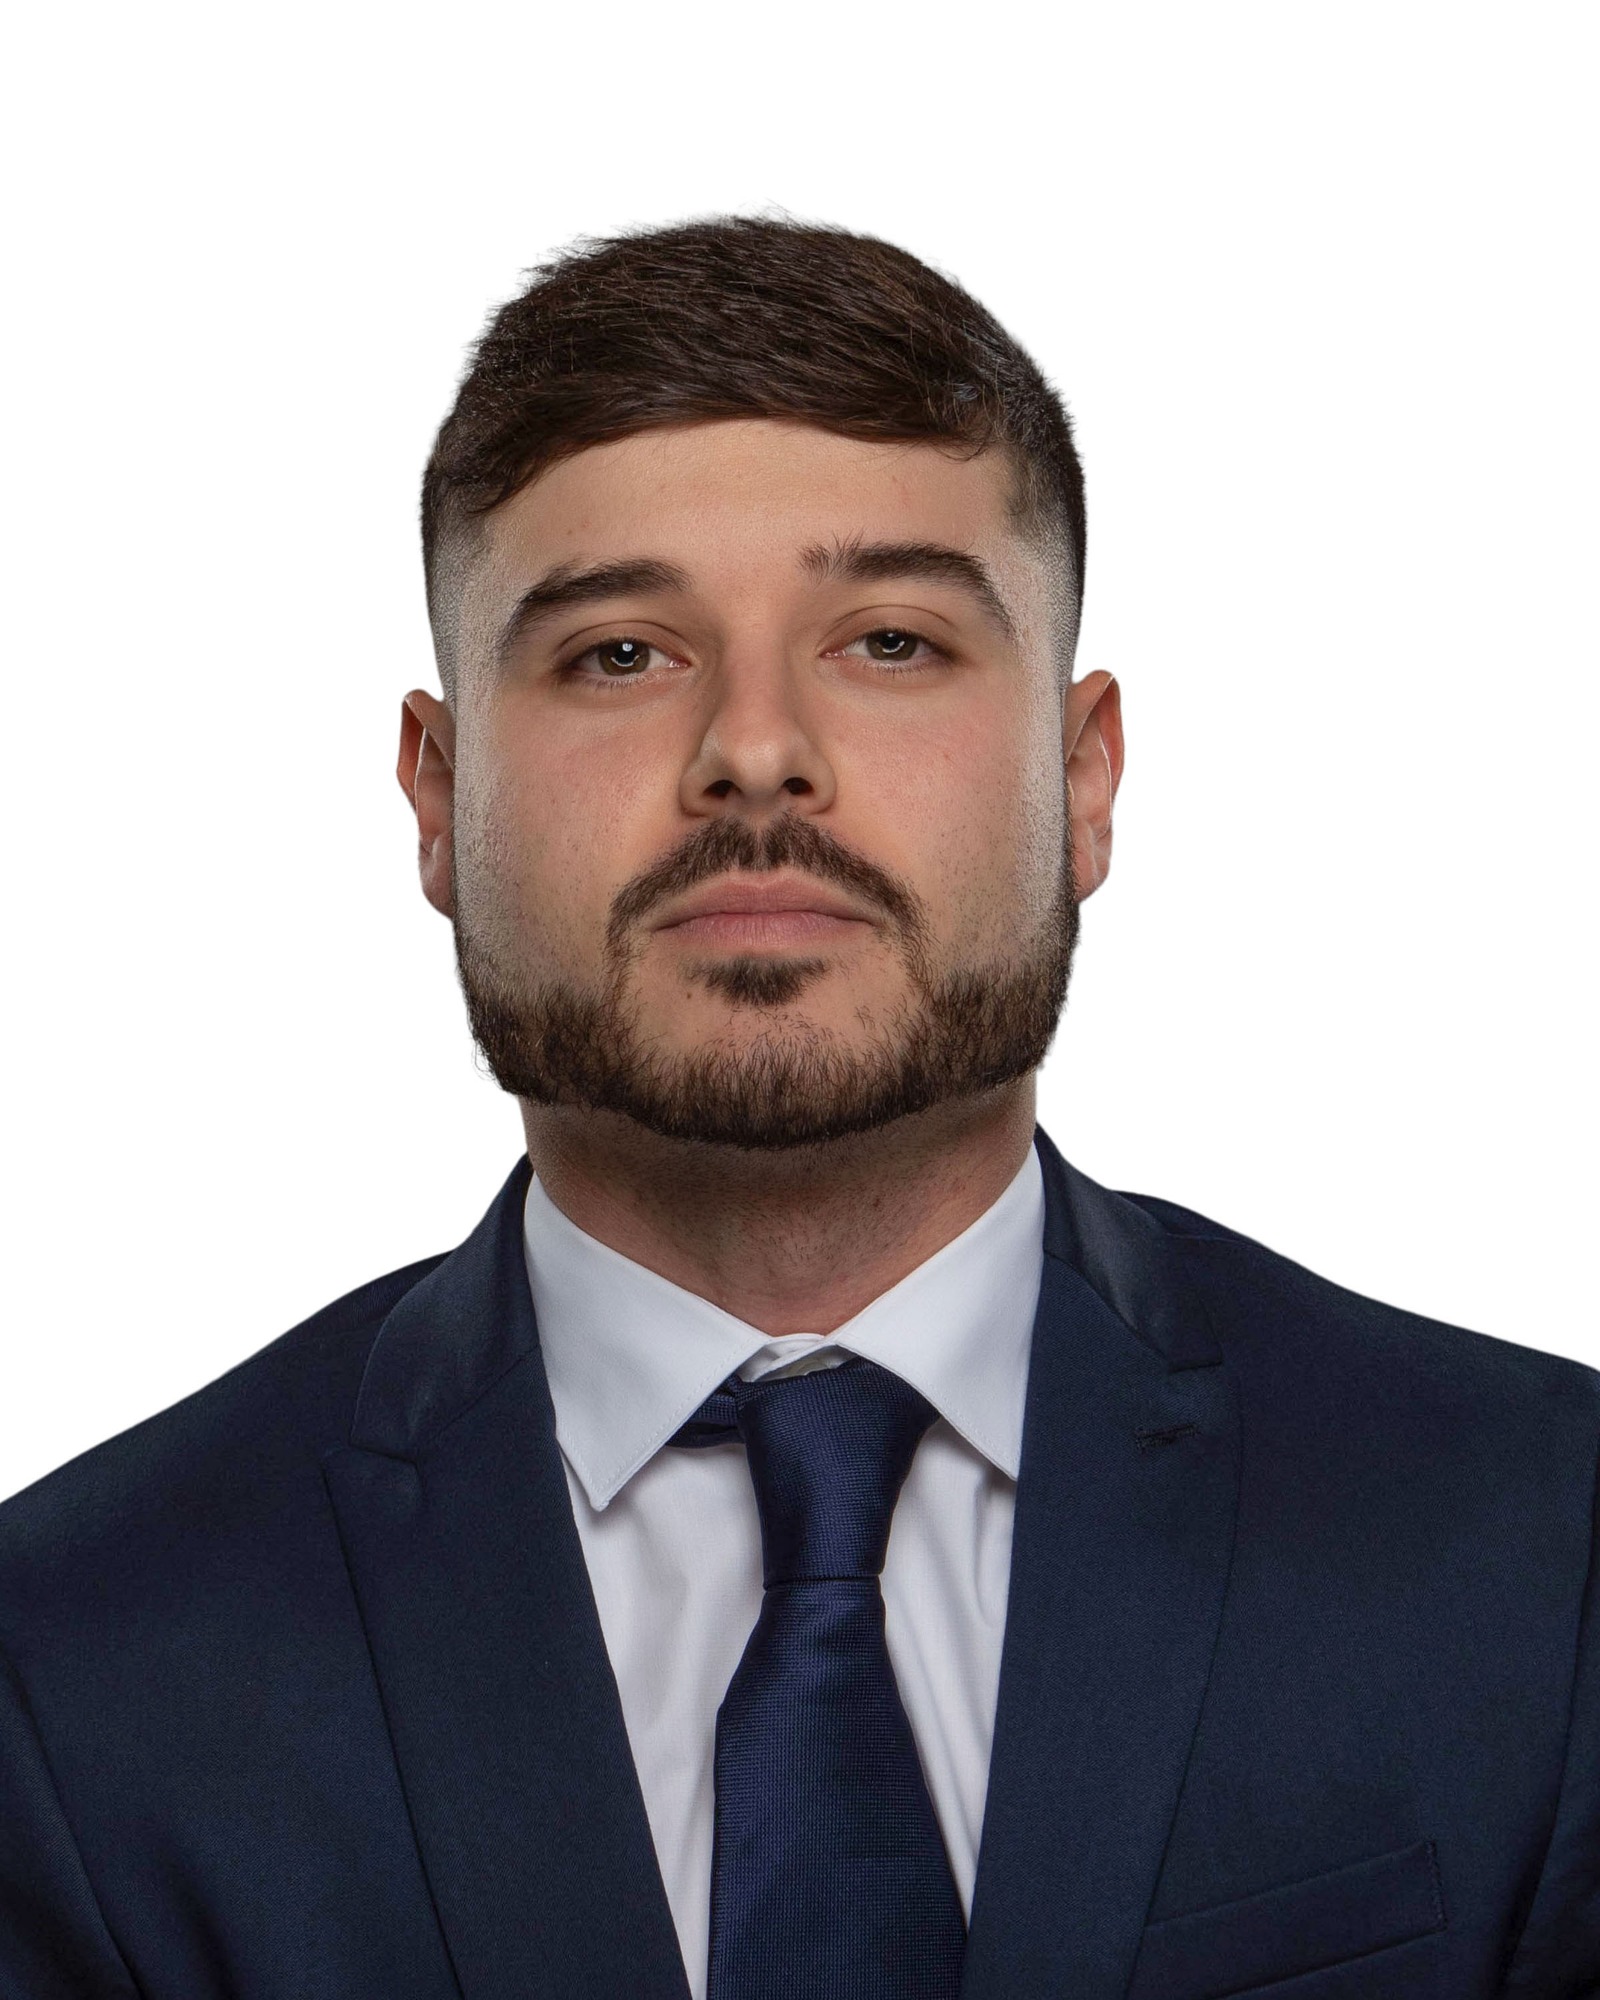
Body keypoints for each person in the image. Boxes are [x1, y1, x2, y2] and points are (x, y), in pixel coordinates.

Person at [0, 216, 1594, 2000]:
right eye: (620, 654)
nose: (755, 750)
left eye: (892, 641)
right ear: (438, 801)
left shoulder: (1542, 1550)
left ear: (1084, 780)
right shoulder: (66, 1667)